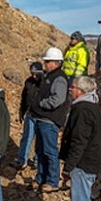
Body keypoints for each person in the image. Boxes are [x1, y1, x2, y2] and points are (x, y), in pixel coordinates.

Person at [58, 76, 101, 201]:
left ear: (82, 91)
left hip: (84, 162)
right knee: (77, 196)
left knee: (80, 199)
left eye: (74, 87)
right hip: (92, 160)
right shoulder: (94, 107)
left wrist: (68, 166)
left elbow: (79, 141)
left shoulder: (81, 110)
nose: (71, 90)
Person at [30, 47, 69, 193]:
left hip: (50, 120)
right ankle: (40, 178)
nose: (45, 64)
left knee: (50, 151)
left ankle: (52, 181)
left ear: (55, 62)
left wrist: (41, 104)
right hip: (42, 119)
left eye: (47, 61)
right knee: (40, 150)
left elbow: (57, 99)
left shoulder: (59, 78)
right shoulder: (49, 76)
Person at [13, 61, 43, 170]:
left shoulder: (45, 83)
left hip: (41, 116)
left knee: (40, 140)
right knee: (26, 137)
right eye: (32, 73)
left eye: (36, 73)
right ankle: (22, 160)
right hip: (30, 114)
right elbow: (24, 97)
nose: (34, 76)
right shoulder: (28, 82)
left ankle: (37, 161)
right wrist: (22, 111)